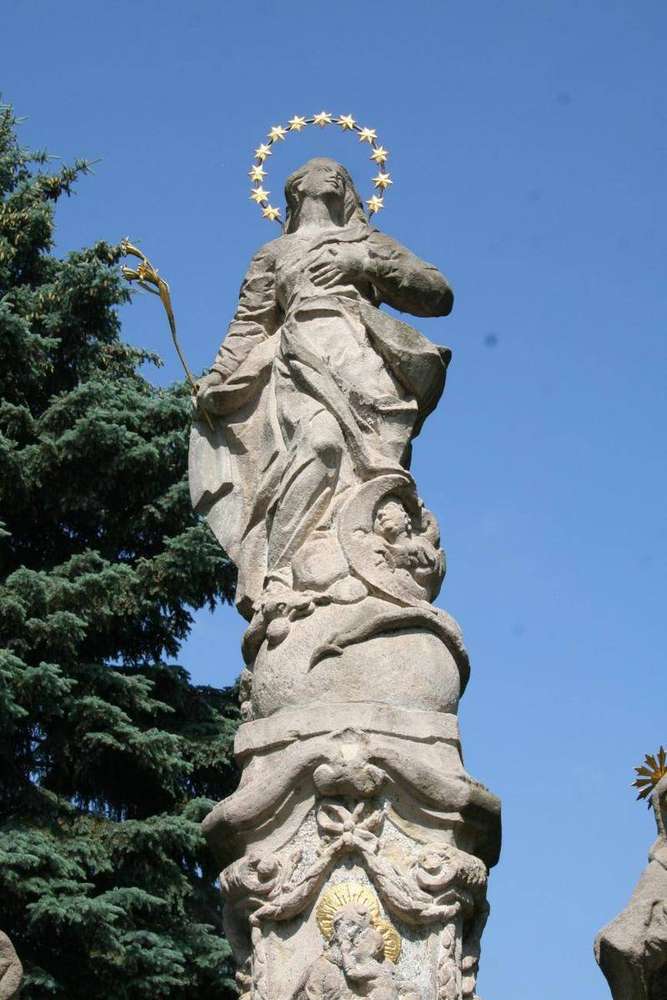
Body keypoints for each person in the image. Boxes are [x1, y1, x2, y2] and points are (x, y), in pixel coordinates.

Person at [191, 158, 453, 616]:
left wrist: (365, 264)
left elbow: (437, 294)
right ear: (295, 189)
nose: (333, 172)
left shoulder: (368, 241)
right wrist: (219, 376)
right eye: (319, 167)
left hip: (362, 360)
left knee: (373, 474)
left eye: (341, 172)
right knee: (321, 443)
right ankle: (282, 574)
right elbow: (250, 324)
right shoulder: (274, 253)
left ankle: (370, 566)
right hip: (300, 358)